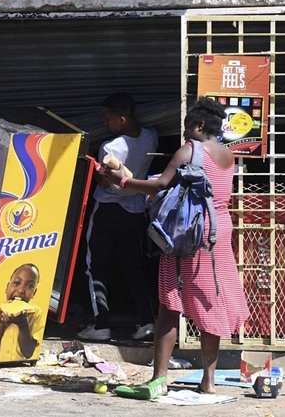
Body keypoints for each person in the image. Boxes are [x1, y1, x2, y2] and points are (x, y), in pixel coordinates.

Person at [104, 97, 249, 394]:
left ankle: (159, 379)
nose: (183, 135)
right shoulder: (226, 155)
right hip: (218, 232)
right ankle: (208, 382)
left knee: (170, 304)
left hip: (188, 233)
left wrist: (123, 182)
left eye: (186, 128)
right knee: (211, 301)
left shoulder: (189, 150)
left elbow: (160, 186)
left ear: (199, 125)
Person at [77, 92, 159, 342]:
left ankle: (100, 325)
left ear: (122, 119)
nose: (103, 123)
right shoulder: (151, 137)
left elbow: (104, 183)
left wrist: (97, 172)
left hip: (108, 210)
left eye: (106, 118)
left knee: (95, 266)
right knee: (133, 266)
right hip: (135, 211)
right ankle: (146, 322)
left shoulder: (110, 147)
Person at [0, 263, 43, 363]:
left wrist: (23, 325)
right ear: (7, 287)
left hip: (18, 369)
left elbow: (28, 353)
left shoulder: (36, 314)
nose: (21, 290)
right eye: (16, 283)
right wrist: (1, 324)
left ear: (34, 293)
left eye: (30, 286)